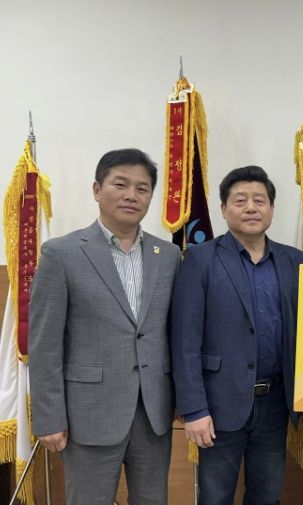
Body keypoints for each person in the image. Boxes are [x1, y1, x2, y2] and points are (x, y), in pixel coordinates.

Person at [29, 148, 180, 505]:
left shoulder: (169, 256)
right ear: (97, 190)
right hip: (89, 413)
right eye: (120, 185)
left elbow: (174, 333)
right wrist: (49, 418)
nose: (131, 195)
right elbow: (45, 343)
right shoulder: (61, 253)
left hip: (153, 412)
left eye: (142, 188)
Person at [170, 165, 303, 505]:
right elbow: (185, 341)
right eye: (240, 200)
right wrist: (193, 409)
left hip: (275, 402)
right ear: (223, 209)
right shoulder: (200, 259)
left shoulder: (295, 261)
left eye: (259, 200)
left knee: (267, 496)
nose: (250, 208)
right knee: (215, 498)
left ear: (272, 209)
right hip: (218, 405)